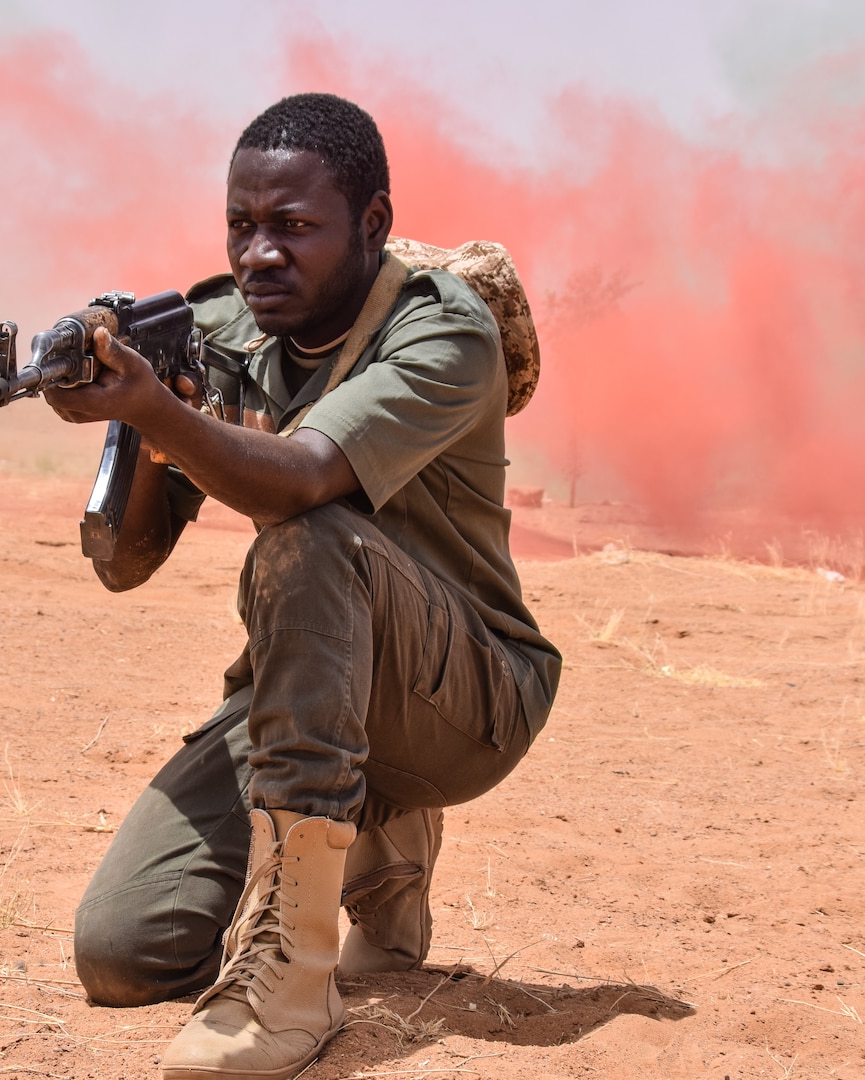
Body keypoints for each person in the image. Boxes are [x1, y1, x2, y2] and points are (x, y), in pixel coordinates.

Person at [43, 93, 560, 1080]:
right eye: (240, 225)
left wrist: (161, 405)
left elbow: (304, 481)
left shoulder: (443, 332)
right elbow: (125, 563)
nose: (258, 254)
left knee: (312, 538)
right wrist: (148, 425)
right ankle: (368, 828)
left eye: (293, 227)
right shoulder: (219, 331)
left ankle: (295, 976)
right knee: (121, 954)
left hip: (474, 693)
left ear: (370, 225)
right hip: (307, 686)